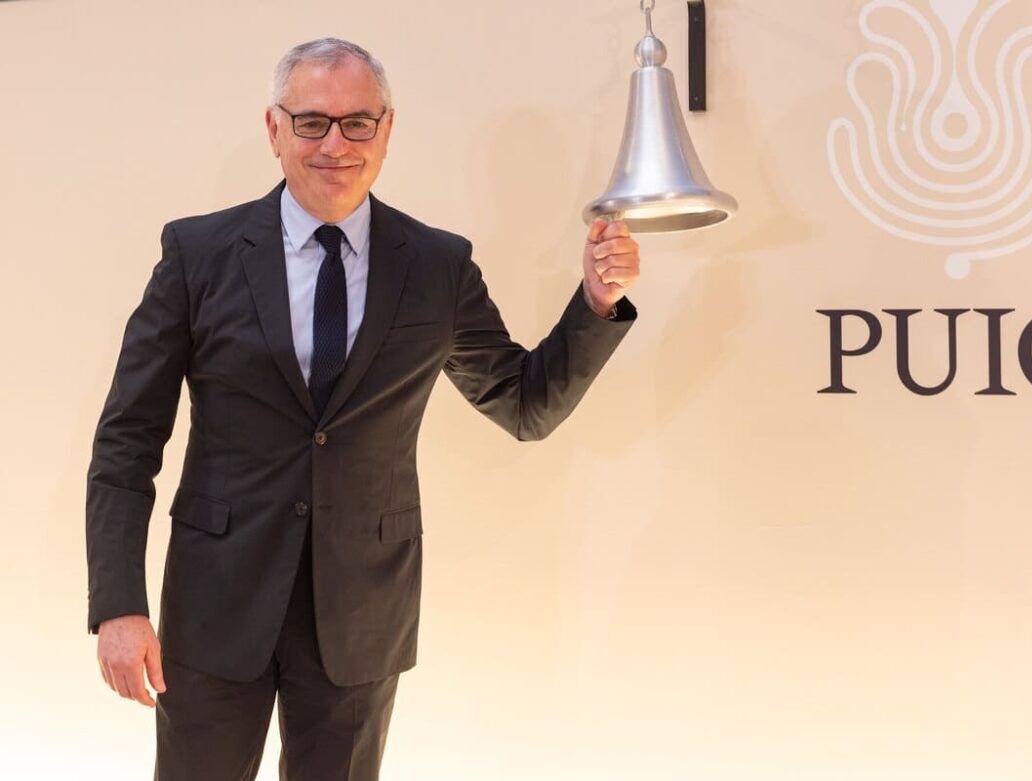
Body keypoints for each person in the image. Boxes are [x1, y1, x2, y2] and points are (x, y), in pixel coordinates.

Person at [85, 36, 640, 780]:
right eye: (312, 122)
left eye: (357, 123)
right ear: (275, 128)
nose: (335, 144)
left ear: (386, 129)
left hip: (360, 615)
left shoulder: (437, 266)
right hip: (216, 604)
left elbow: (524, 405)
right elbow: (127, 440)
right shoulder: (199, 254)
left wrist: (597, 304)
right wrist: (118, 604)